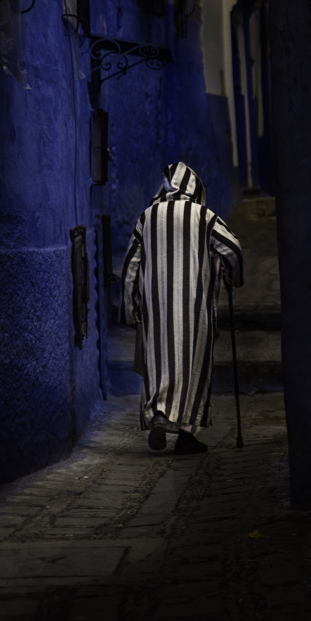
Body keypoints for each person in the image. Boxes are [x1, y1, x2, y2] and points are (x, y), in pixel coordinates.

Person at [120, 161, 243, 454]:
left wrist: (130, 308)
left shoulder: (147, 218)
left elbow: (130, 267)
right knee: (193, 366)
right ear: (194, 189)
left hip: (156, 308)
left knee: (160, 362)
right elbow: (233, 250)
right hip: (195, 307)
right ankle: (186, 434)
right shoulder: (205, 216)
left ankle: (160, 415)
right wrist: (232, 277)